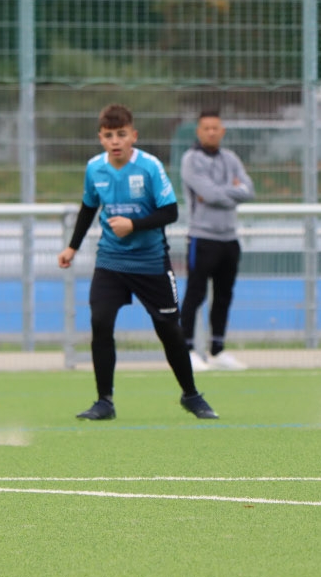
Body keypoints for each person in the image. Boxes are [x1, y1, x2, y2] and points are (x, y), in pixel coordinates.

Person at [58, 103, 218, 421]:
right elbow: (89, 207)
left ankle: (191, 395)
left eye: (121, 134)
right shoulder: (95, 168)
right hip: (111, 261)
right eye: (108, 136)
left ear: (134, 135)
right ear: (100, 138)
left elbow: (170, 211)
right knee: (101, 322)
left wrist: (133, 225)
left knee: (169, 330)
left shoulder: (149, 167)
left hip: (151, 262)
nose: (115, 141)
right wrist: (72, 247)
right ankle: (104, 401)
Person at [179, 110, 255, 372]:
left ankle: (217, 349)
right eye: (206, 128)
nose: (211, 132)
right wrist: (232, 192)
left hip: (229, 238)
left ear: (222, 131)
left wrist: (221, 193)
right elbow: (208, 194)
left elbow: (249, 191)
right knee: (195, 294)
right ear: (198, 132)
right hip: (202, 237)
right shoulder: (191, 159)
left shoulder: (230, 158)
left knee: (224, 295)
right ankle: (187, 349)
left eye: (215, 128)